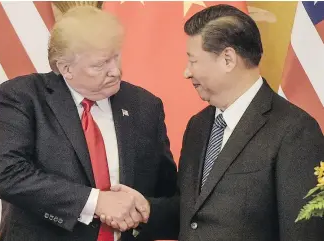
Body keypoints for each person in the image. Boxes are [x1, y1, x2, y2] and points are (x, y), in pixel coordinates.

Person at [112, 4, 324, 241]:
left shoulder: (295, 130)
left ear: (228, 59)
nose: (186, 72)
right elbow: (191, 215)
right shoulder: (198, 126)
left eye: (193, 61)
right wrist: (144, 210)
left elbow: (302, 231)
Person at [0, 6, 177, 241]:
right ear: (66, 68)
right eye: (100, 65)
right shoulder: (25, 96)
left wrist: (144, 209)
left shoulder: (145, 105)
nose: (115, 71)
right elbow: (8, 175)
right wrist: (96, 202)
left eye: (116, 56)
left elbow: (169, 195)